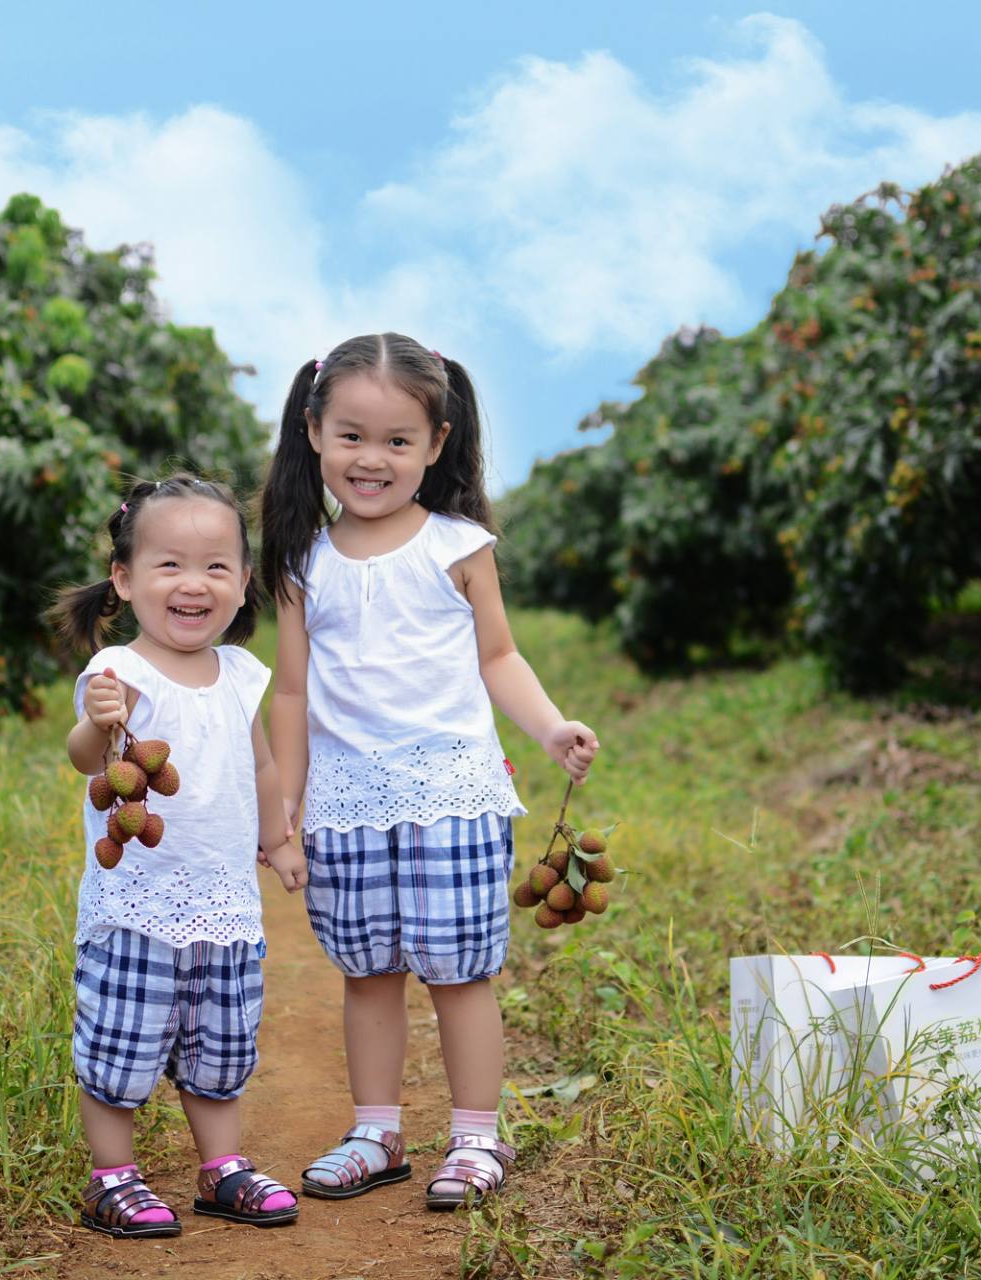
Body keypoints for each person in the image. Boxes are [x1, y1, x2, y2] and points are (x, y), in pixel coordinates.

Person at [261, 334, 599, 1210]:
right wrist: (287, 806)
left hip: (452, 794)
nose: (372, 459)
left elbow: (499, 658)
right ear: (313, 430)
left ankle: (476, 1139)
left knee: (458, 973)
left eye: (398, 441)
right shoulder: (304, 562)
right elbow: (291, 697)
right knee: (367, 972)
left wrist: (553, 725)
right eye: (351, 436)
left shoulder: (458, 545)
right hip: (347, 801)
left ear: (437, 444)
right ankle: (377, 1131)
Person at [49, 474, 308, 1238]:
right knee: (122, 1038)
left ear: (242, 582)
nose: (193, 584)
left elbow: (259, 766)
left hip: (224, 903)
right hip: (138, 903)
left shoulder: (240, 675)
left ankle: (221, 1168)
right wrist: (100, 725)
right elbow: (81, 759)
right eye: (169, 565)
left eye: (216, 566)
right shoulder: (117, 676)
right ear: (125, 580)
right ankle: (112, 1178)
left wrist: (280, 839)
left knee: (219, 1045)